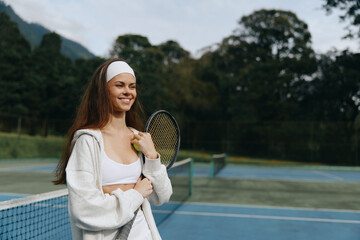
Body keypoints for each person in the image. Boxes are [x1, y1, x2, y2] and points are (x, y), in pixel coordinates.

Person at [54, 58, 173, 240]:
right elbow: (84, 210)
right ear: (103, 90)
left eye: (132, 86)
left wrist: (152, 156)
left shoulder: (139, 139)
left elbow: (161, 197)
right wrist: (135, 195)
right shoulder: (87, 142)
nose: (128, 92)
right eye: (120, 85)